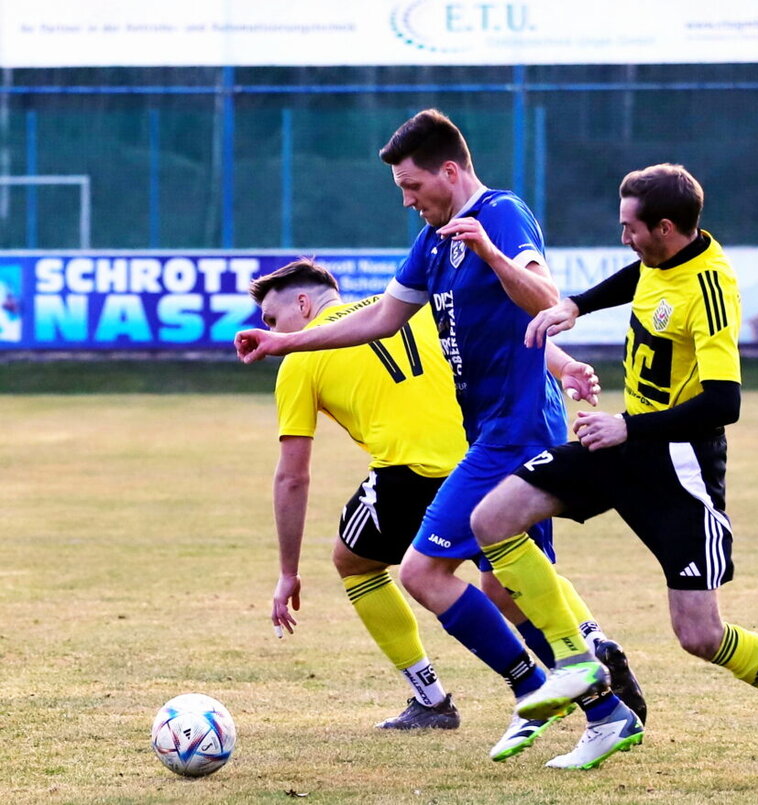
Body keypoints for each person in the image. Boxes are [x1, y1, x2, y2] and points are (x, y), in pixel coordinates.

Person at [234, 110, 645, 768]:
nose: (406, 198)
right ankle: (601, 700)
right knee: (506, 587)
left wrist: (489, 252)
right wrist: (287, 340)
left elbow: (546, 299)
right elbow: (379, 318)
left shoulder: (502, 214)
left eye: (412, 185)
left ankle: (544, 689)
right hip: (488, 430)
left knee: (426, 569)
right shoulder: (430, 243)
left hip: (515, 431)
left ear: (449, 172)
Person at [470, 163, 758, 782]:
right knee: (492, 518)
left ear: (666, 227)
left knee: (699, 635)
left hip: (680, 467)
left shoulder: (710, 286)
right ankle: (579, 665)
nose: (623, 236)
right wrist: (575, 305)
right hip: (623, 446)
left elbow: (725, 403)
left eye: (629, 227)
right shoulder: (664, 257)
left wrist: (629, 426)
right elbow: (641, 275)